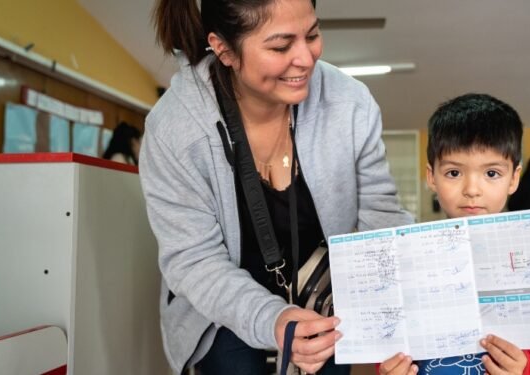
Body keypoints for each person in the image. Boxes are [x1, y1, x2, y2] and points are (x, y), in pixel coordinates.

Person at [141, 0, 413, 373]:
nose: (305, 58)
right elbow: (194, 261)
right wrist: (274, 319)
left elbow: (380, 219)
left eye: (313, 35)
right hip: (224, 305)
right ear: (224, 50)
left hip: (323, 295)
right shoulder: (175, 129)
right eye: (281, 46)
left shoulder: (350, 104)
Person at [379, 94, 530, 375]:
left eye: (492, 173)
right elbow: (387, 356)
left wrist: (526, 368)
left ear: (514, 178)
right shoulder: (407, 265)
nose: (472, 189)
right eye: (453, 173)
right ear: (431, 176)